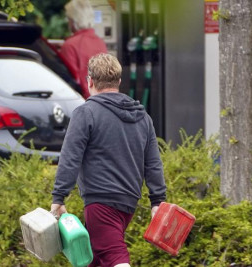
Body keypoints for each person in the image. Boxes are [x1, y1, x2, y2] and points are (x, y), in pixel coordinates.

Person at [51, 53, 167, 267]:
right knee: (94, 259)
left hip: (100, 201)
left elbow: (70, 157)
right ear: (119, 82)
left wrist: (59, 197)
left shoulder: (86, 113)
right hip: (128, 203)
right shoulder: (143, 117)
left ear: (90, 81)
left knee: (114, 256)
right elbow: (153, 163)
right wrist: (157, 201)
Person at [61, 0, 108, 99]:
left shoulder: (70, 45)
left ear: (74, 21)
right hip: (104, 101)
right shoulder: (100, 42)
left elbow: (69, 82)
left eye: (68, 18)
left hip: (83, 102)